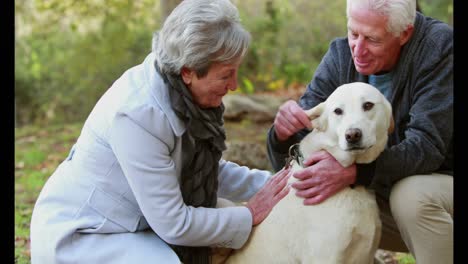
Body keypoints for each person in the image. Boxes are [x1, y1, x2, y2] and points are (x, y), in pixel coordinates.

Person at [30, 0, 292, 263]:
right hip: (86, 234)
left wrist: (278, 185)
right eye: (226, 75)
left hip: (136, 222)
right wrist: (250, 214)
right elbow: (174, 222)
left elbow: (208, 170)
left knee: (226, 224)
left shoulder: (181, 91)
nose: (234, 85)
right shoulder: (136, 114)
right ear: (189, 71)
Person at [266, 0, 453, 263]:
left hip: (441, 188)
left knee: (411, 196)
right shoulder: (340, 55)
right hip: (386, 188)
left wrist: (356, 173)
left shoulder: (439, 48)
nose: (358, 50)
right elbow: (300, 152)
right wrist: (282, 134)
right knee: (325, 192)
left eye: (372, 39)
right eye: (353, 33)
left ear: (405, 33)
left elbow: (426, 147)